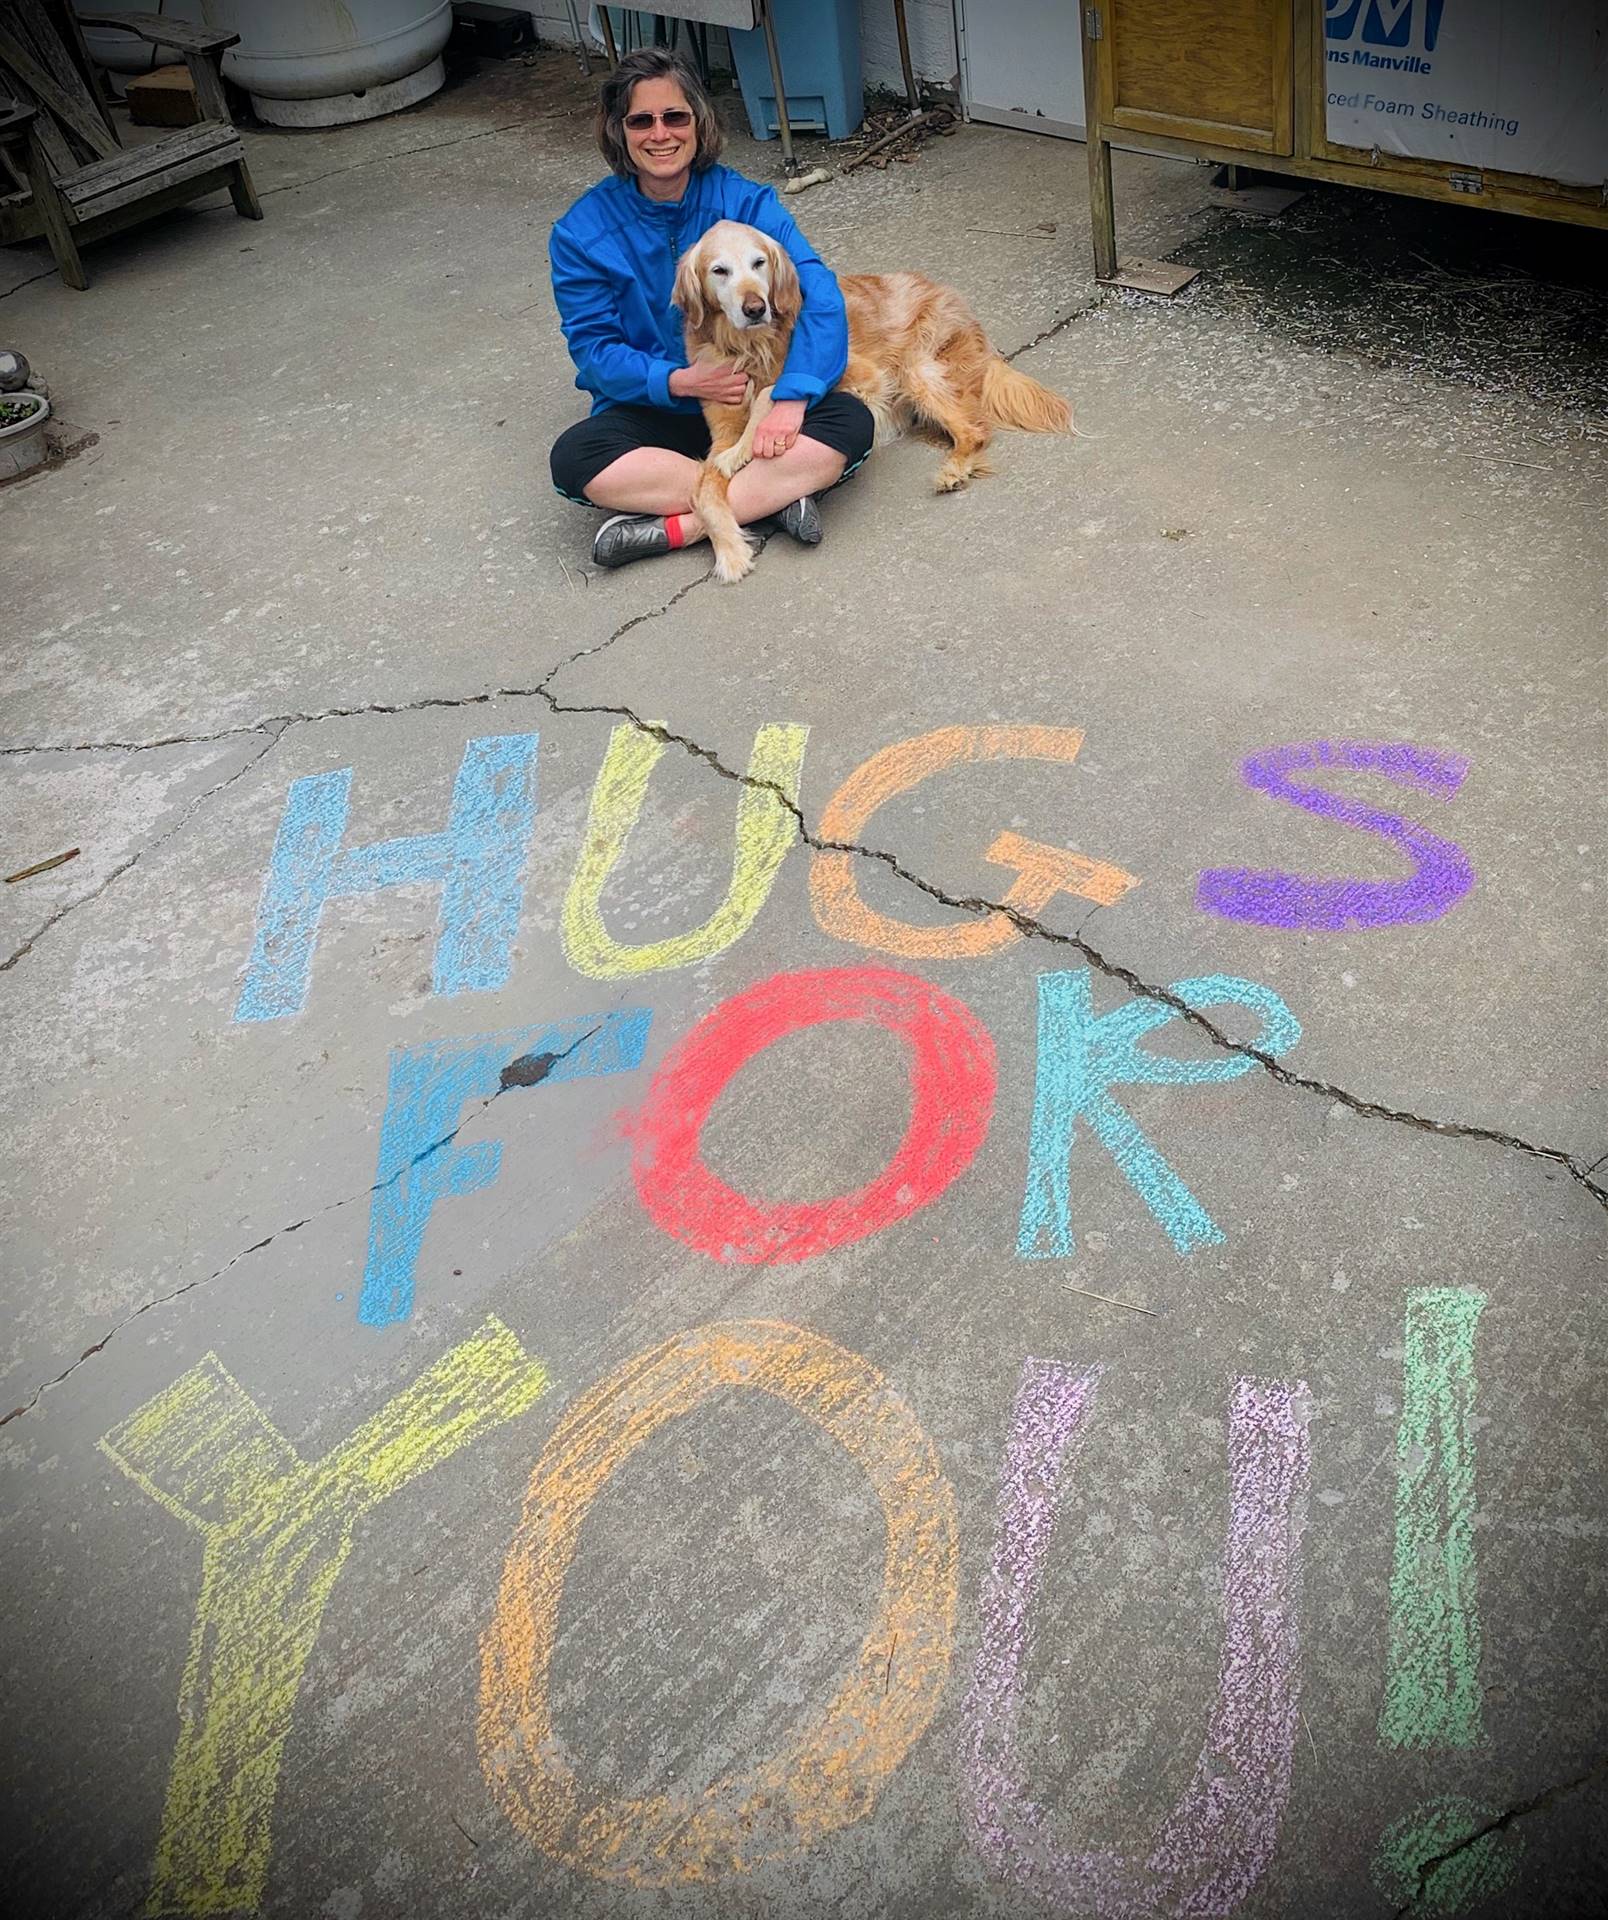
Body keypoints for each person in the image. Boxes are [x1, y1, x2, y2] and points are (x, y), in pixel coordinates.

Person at [548, 47, 874, 570]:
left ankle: (679, 528)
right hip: (659, 409)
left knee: (850, 421)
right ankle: (770, 498)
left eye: (675, 116)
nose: (661, 134)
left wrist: (791, 398)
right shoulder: (581, 234)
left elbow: (820, 293)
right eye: (641, 120)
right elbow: (594, 351)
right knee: (575, 458)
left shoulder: (749, 205)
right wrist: (681, 381)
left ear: (698, 122)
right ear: (618, 131)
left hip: (756, 403)